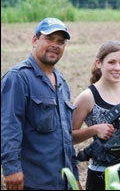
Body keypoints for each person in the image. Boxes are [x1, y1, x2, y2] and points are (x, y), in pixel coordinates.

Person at [1, 18, 81, 190]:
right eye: (49, 39)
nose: (55, 45)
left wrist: (74, 177)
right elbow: (8, 125)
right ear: (35, 40)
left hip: (62, 182)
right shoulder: (18, 77)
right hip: (33, 182)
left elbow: (66, 137)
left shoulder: (61, 82)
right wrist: (11, 169)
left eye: (60, 41)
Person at [72, 40, 120, 190]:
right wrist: (94, 130)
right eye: (111, 62)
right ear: (98, 63)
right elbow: (69, 136)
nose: (118, 68)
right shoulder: (87, 97)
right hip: (101, 177)